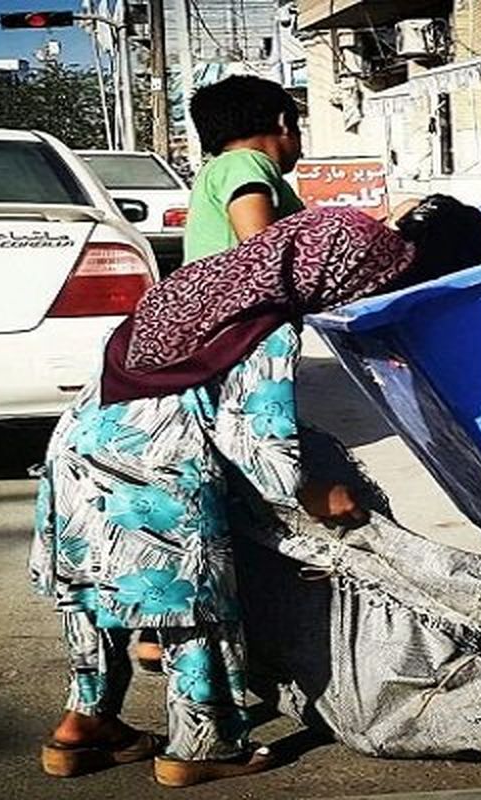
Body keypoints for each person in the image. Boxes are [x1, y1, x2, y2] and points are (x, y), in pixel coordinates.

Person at [29, 207, 439, 787]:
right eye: (361, 281)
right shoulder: (264, 325)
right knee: (194, 608)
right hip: (156, 465)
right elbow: (255, 441)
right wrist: (319, 493)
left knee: (96, 593)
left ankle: (85, 724)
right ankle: (202, 745)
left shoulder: (199, 283)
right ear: (330, 273)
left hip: (78, 446)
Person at [135, 74, 307, 672]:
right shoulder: (245, 169)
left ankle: (162, 630)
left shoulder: (214, 170)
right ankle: (191, 630)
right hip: (236, 346)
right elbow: (261, 249)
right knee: (249, 473)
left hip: (208, 346)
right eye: (297, 125)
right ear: (282, 124)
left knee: (211, 479)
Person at [183, 74, 306, 264]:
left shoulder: (226, 167)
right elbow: (261, 249)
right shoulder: (245, 162)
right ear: (283, 123)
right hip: (235, 292)